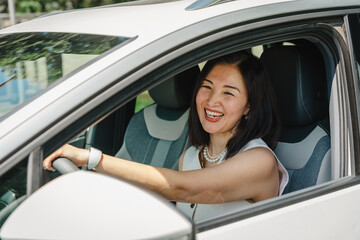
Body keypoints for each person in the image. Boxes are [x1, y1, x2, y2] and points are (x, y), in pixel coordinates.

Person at [43, 51, 288, 222]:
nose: (212, 101)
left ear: (249, 106)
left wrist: (90, 158)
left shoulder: (259, 161)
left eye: (229, 93)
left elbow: (181, 188)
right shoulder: (191, 155)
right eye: (207, 87)